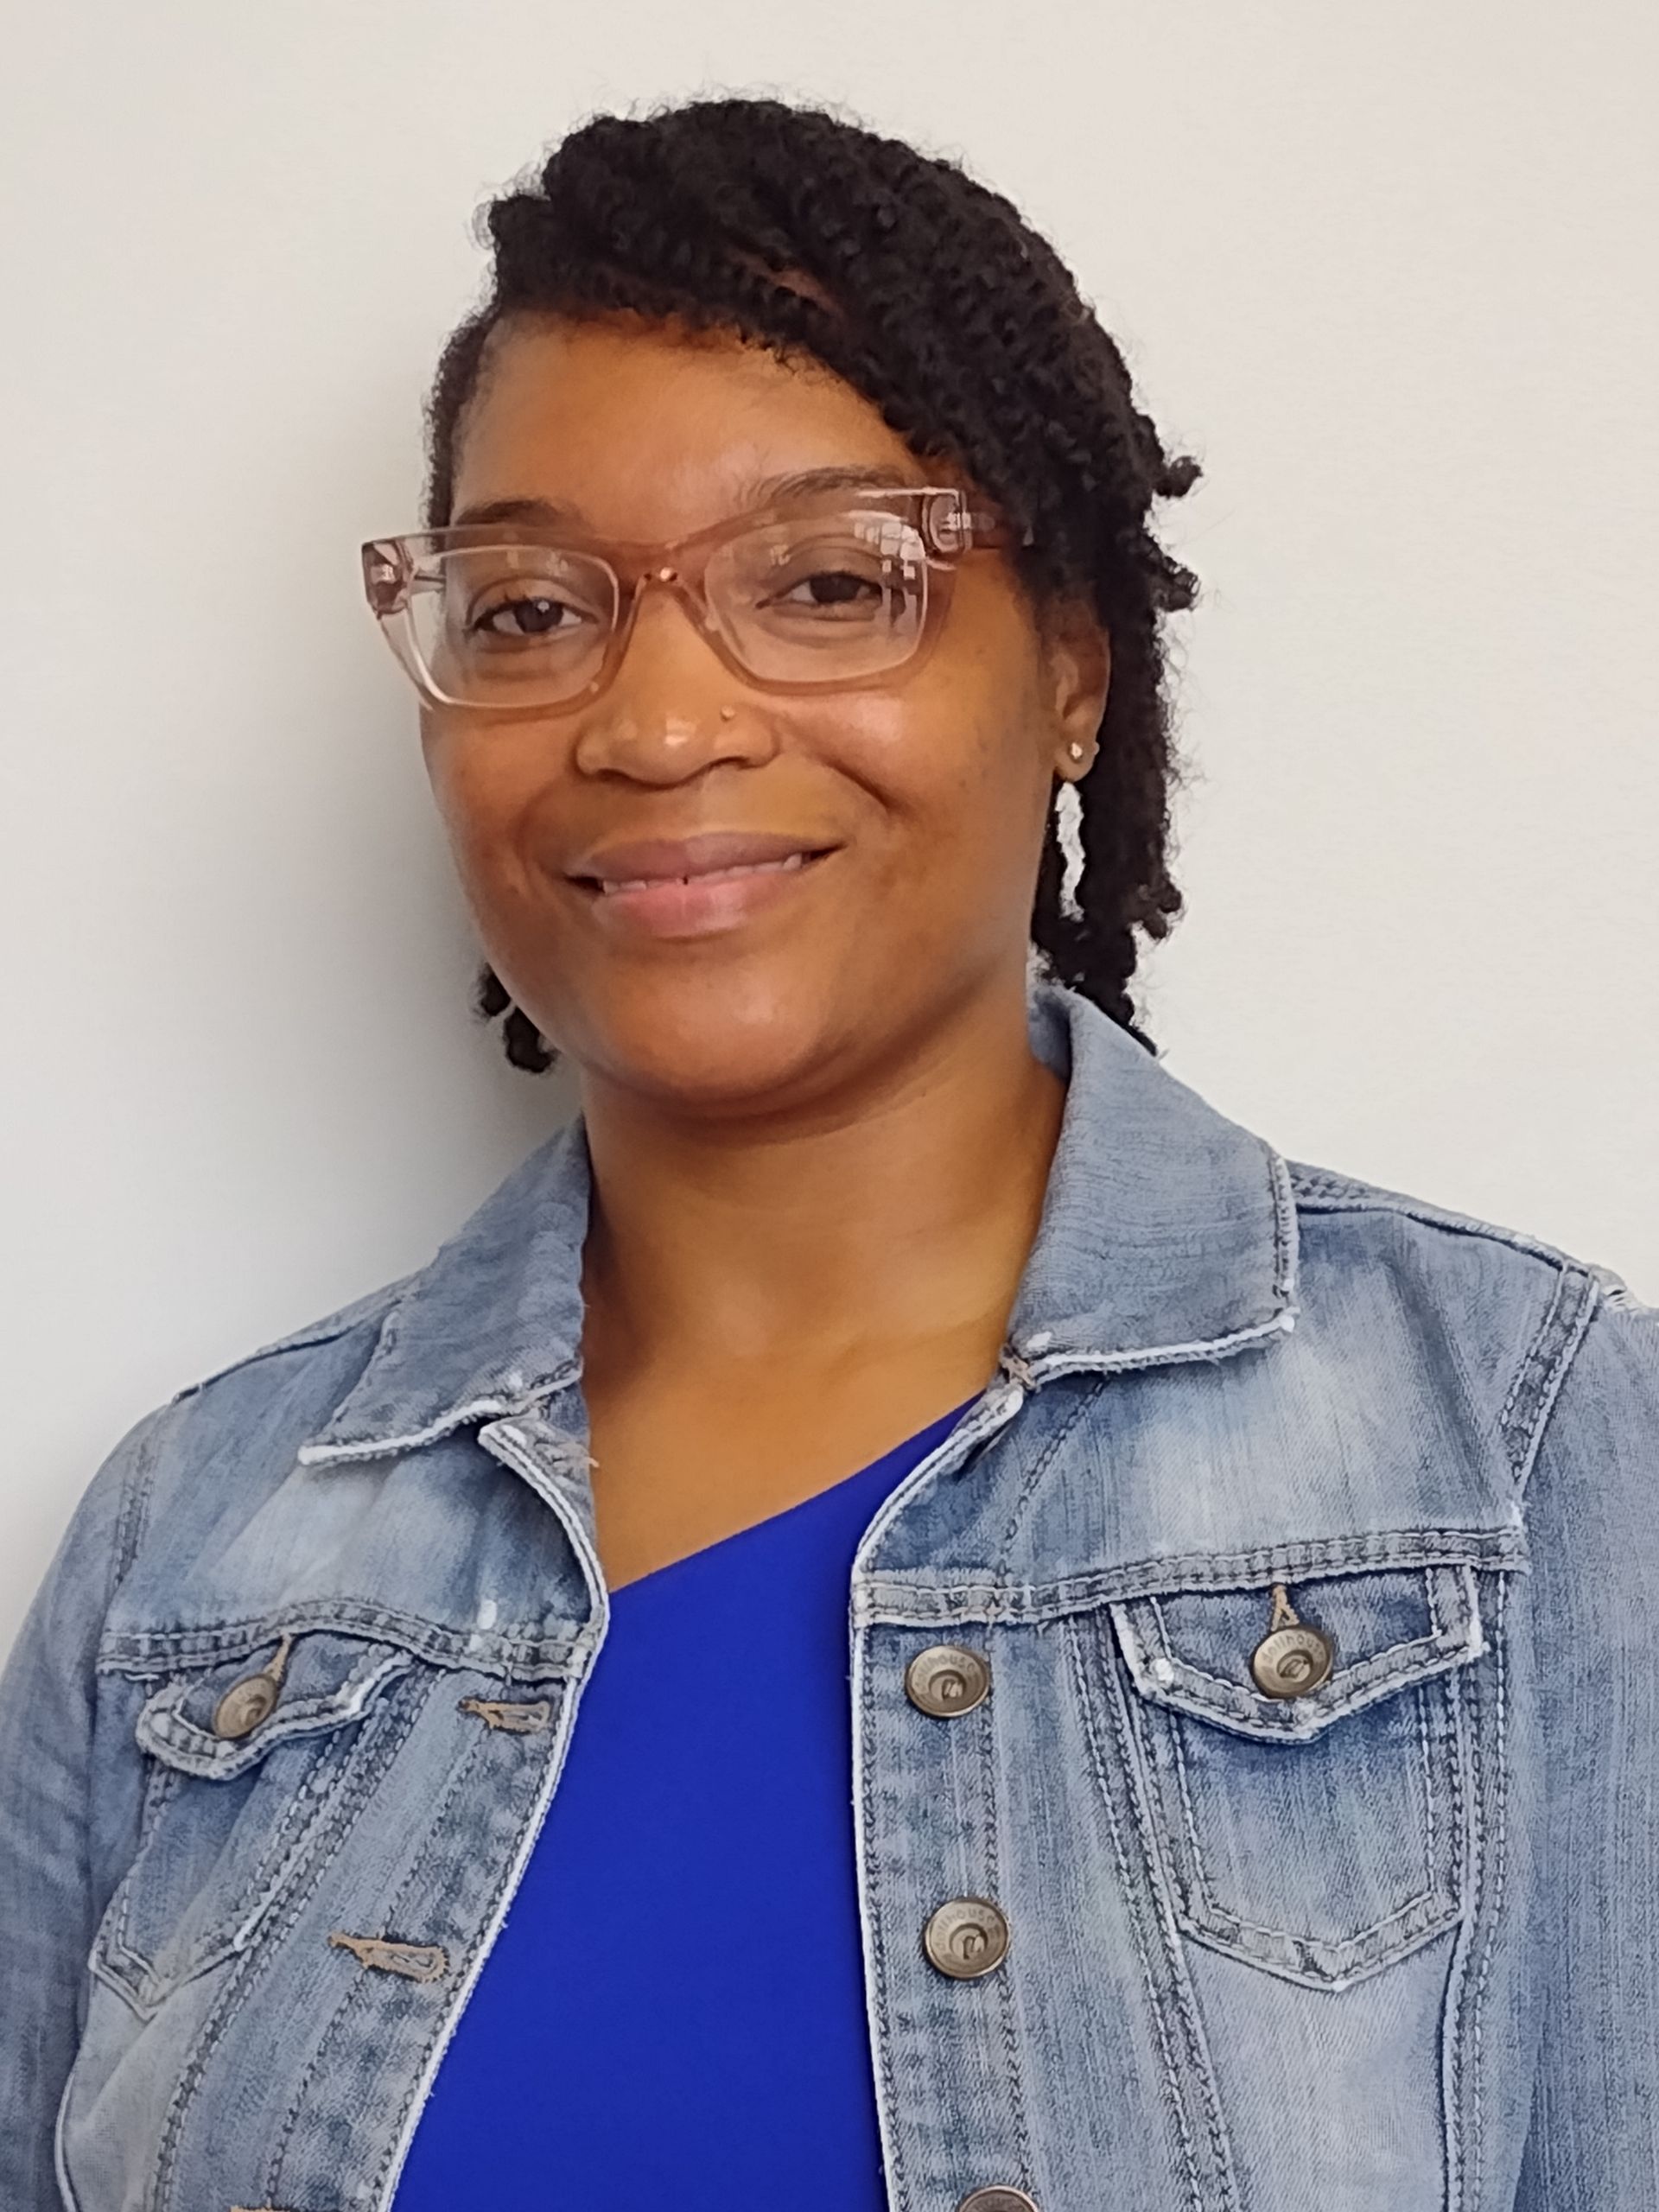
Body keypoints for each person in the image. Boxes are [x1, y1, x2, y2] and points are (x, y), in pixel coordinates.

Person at [1, 92, 1653, 2212]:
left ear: (1070, 670)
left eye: (825, 580)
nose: (658, 722)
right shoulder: (196, 1549)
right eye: (528, 609)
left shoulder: (1528, 1450)